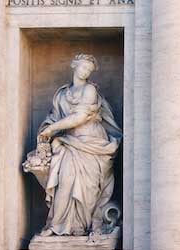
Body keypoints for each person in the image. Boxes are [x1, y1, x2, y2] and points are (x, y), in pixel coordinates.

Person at [24, 53, 123, 238]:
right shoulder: (61, 94)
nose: (85, 71)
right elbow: (53, 116)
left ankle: (81, 227)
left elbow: (80, 117)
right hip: (69, 143)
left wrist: (52, 128)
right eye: (83, 67)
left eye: (89, 70)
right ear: (74, 65)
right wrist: (47, 129)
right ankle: (57, 225)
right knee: (65, 181)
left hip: (92, 144)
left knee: (89, 188)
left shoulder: (90, 91)